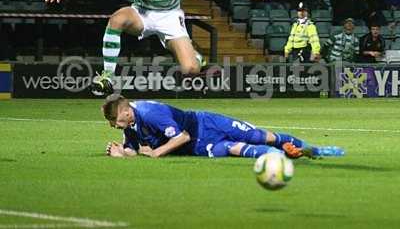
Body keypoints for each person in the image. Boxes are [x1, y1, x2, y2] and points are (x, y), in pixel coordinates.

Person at [44, 0, 265, 95]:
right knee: (117, 18)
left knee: (190, 70)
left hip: (169, 18)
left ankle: (196, 58)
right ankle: (107, 76)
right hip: (142, 13)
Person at [102, 94, 345, 159]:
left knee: (260, 135)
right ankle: (282, 156)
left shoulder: (149, 112)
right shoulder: (131, 125)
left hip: (204, 123)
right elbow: (133, 150)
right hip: (198, 146)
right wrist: (121, 153)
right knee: (233, 149)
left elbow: (182, 136)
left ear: (124, 111)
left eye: (114, 120)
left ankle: (315, 149)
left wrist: (155, 153)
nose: (114, 125)